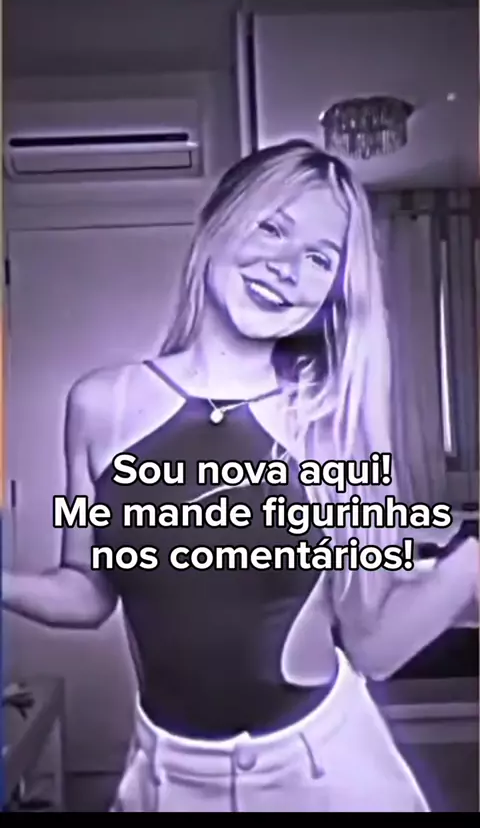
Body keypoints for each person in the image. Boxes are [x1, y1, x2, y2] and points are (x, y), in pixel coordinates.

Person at [3, 140, 478, 813]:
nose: (287, 269)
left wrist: (471, 561)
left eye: (320, 258)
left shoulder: (329, 426)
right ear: (218, 221)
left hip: (321, 772)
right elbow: (86, 590)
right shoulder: (98, 405)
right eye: (272, 228)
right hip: (166, 775)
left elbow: (372, 644)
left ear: (333, 290)